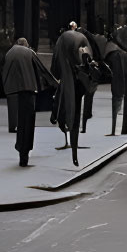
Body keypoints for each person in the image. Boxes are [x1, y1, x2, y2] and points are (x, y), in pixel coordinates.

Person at [0, 37, 51, 168]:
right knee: (28, 123)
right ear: (26, 44)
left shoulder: (10, 53)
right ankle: (24, 156)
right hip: (28, 92)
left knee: (20, 122)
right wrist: (55, 83)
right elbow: (42, 70)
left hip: (15, 92)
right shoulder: (29, 52)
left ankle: (20, 151)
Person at [51, 22, 95, 166]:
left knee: (68, 108)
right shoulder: (82, 37)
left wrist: (57, 74)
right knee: (74, 112)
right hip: (80, 81)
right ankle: (74, 151)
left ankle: (60, 121)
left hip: (69, 79)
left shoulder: (63, 39)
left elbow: (56, 64)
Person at [106, 26, 127, 136]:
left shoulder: (116, 53)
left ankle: (116, 129)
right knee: (125, 105)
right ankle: (123, 128)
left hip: (120, 83)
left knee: (118, 103)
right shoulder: (124, 54)